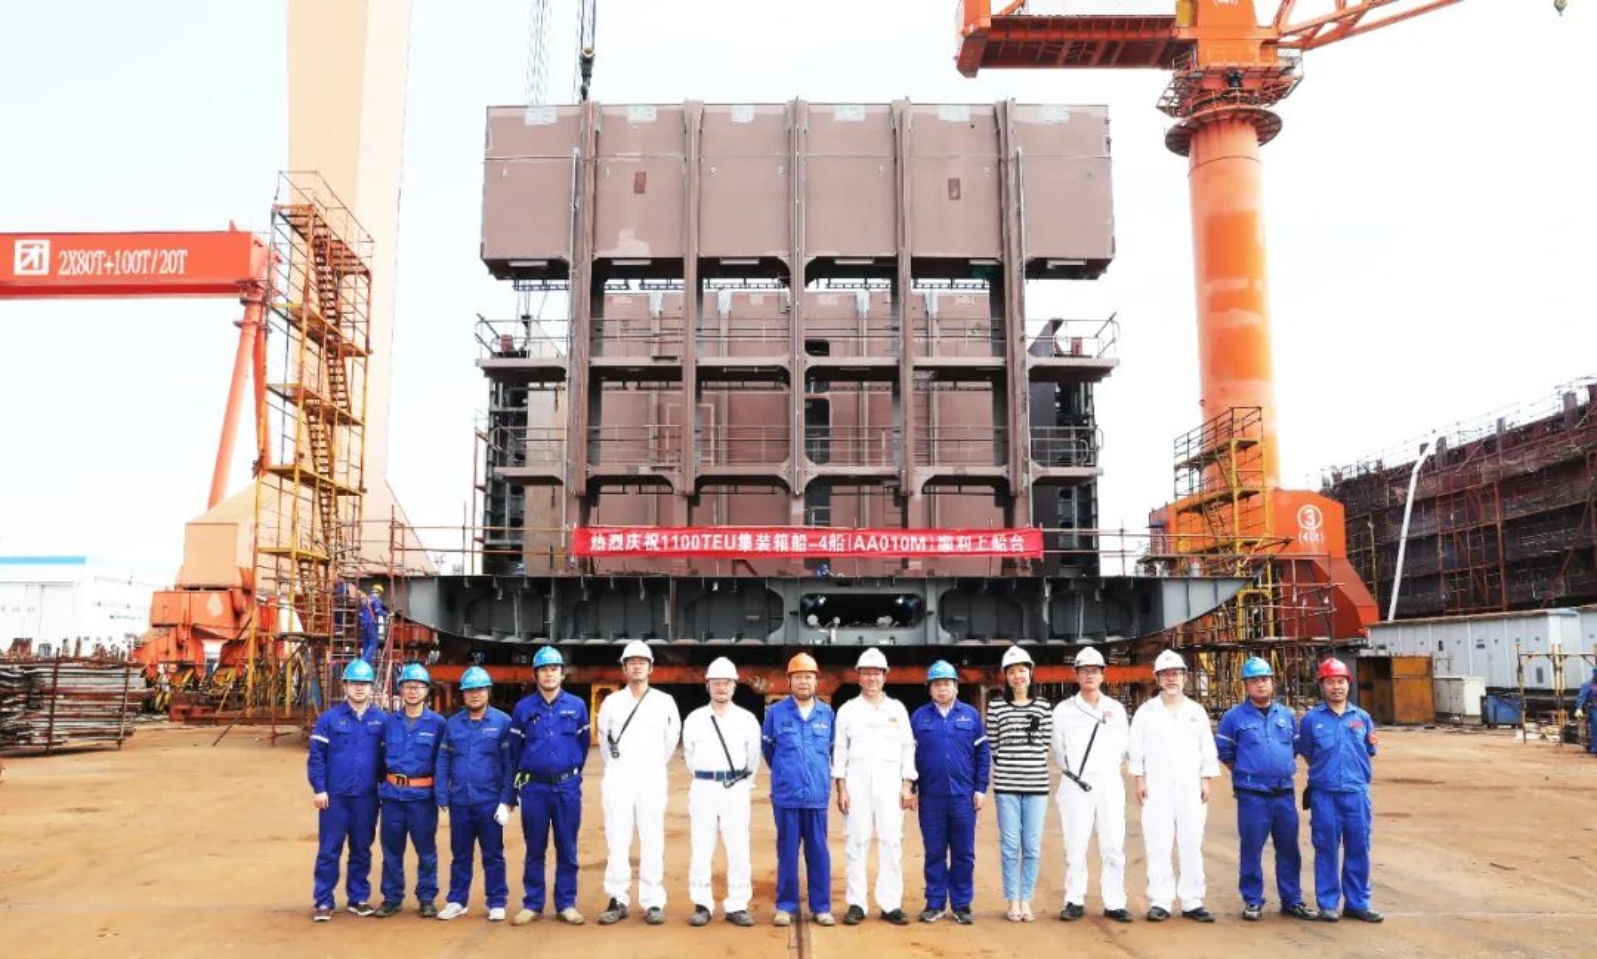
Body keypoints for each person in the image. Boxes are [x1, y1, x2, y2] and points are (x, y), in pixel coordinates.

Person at [1215, 657, 1317, 922]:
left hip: (1283, 794)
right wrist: (1247, 771)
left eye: (1264, 679)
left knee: (1289, 849)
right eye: (1254, 680)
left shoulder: (1286, 715)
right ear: (1246, 685)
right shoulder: (1233, 718)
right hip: (1253, 796)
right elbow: (1224, 752)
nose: (1260, 684)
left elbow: (1295, 748)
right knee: (1251, 849)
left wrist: (1276, 768)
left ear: (1272, 682)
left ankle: (1292, 899)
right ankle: (1252, 900)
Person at [1128, 649, 1220, 923]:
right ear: (1157, 679)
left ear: (1184, 677)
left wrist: (1206, 780)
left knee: (1191, 842)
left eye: (1176, 674)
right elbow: (1136, 749)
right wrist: (1139, 779)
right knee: (1158, 843)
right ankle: (1160, 900)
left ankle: (1192, 900)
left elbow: (1207, 748)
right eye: (1166, 674)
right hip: (1156, 788)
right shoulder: (1146, 713)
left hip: (1190, 788)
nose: (1171, 679)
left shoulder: (1196, 712)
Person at [597, 641, 683, 926]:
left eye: (642, 662)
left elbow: (671, 738)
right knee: (617, 838)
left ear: (651, 668)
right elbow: (605, 740)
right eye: (631, 662)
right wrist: (620, 766)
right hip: (619, 777)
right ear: (624, 668)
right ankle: (617, 898)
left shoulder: (664, 701)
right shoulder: (612, 702)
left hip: (651, 777)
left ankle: (653, 900)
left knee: (652, 838)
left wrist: (653, 764)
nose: (637, 666)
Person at [832, 647, 916, 926]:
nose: (871, 678)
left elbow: (907, 747)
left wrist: (907, 784)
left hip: (890, 783)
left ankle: (890, 903)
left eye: (876, 673)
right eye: (866, 673)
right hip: (856, 783)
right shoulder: (847, 710)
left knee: (892, 841)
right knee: (856, 841)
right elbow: (840, 751)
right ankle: (857, 903)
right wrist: (841, 788)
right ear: (858, 677)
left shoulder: (897, 709)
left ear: (884, 676)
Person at [508, 646, 590, 926]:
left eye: (554, 669)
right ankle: (533, 904)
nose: (549, 674)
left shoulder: (577, 706)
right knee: (535, 848)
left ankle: (566, 904)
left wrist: (570, 773)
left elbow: (582, 745)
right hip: (534, 790)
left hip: (567, 789)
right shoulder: (523, 709)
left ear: (562, 674)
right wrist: (515, 789)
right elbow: (514, 753)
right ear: (536, 675)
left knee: (567, 847)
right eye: (543, 670)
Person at [1051, 646, 1133, 924]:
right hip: (1075, 784)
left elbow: (1123, 747)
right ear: (1076, 675)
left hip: (1109, 783)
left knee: (1113, 845)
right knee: (1075, 845)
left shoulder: (1115, 709)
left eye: (1095, 671)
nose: (1090, 675)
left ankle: (1115, 901)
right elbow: (1058, 749)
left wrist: (1104, 770)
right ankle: (1074, 899)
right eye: (1084, 671)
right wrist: (1077, 773)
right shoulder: (1063, 710)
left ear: (1103, 675)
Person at [1297, 657, 1383, 923]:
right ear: (1322, 686)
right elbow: (1308, 752)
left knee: (1359, 847)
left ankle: (1357, 903)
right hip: (1325, 794)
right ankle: (1328, 903)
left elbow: (1369, 750)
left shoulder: (1362, 718)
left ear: (1348, 684)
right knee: (1326, 849)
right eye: (1330, 682)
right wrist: (1327, 773)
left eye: (1341, 682)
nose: (1336, 687)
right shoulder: (1311, 720)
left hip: (1356, 794)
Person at [681, 656, 761, 928]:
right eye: (716, 682)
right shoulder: (695, 719)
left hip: (736, 787)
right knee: (701, 847)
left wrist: (741, 783)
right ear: (708, 685)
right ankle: (702, 903)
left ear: (734, 686)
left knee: (738, 848)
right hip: (703, 787)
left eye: (726, 682)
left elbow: (753, 758)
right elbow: (690, 757)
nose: (721, 687)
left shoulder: (747, 719)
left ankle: (737, 904)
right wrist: (708, 777)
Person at [910, 660, 990, 925]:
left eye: (947, 683)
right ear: (929, 688)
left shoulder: (970, 715)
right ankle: (934, 903)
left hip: (963, 797)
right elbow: (909, 757)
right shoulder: (919, 717)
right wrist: (911, 787)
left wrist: (980, 788)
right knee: (934, 852)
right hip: (931, 797)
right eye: (937, 684)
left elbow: (983, 754)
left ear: (955, 686)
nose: (942, 689)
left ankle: (961, 904)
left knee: (963, 853)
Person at [307, 658, 387, 921]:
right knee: (329, 850)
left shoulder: (381, 721)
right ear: (345, 686)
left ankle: (358, 898)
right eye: (354, 683)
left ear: (371, 686)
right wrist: (319, 789)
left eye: (364, 683)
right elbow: (317, 757)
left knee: (362, 849)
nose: (359, 688)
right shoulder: (329, 719)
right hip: (335, 798)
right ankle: (323, 901)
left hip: (367, 797)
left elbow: (388, 758)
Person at [761, 652, 837, 927]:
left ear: (816, 681)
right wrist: (787, 774)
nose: (804, 682)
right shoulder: (776, 713)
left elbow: (831, 750)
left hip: (816, 796)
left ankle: (821, 907)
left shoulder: (827, 714)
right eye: (798, 677)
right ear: (789, 681)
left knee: (818, 853)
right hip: (787, 796)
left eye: (808, 677)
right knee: (787, 853)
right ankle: (785, 906)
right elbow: (768, 749)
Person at [435, 666, 514, 922]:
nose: (475, 694)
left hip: (490, 802)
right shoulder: (453, 724)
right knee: (460, 854)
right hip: (460, 801)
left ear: (488, 691)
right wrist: (442, 793)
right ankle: (457, 901)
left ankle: (497, 901)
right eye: (469, 690)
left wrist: (507, 799)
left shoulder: (503, 723)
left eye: (479, 689)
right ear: (463, 694)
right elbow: (443, 760)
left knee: (493, 854)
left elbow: (510, 764)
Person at [375, 663, 447, 918]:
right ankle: (392, 898)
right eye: (408, 686)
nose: (413, 691)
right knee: (391, 852)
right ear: (401, 690)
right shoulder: (388, 723)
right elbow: (379, 758)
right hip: (392, 797)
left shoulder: (438, 724)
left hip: (422, 799)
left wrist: (441, 794)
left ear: (426, 690)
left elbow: (442, 761)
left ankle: (427, 898)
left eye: (418, 687)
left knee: (426, 852)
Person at [987, 645, 1051, 923]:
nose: (1017, 676)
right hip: (1007, 787)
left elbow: (1045, 744)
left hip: (1037, 787)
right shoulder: (996, 707)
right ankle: (1012, 900)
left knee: (1032, 846)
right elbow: (994, 744)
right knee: (1010, 846)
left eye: (1022, 670)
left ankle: (1026, 899)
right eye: (1011, 671)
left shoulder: (1043, 706)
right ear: (1005, 676)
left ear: (1030, 673)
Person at [1575, 667, 1597, 756]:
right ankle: (1595, 749)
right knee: (1595, 728)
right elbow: (1582, 696)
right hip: (1594, 708)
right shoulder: (1587, 685)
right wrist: (1579, 707)